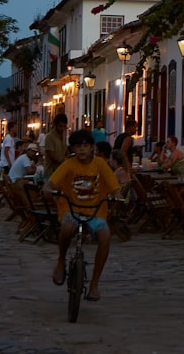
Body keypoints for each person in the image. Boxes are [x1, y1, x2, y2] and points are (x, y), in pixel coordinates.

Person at [43, 128, 123, 302]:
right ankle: (61, 260)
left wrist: (117, 195)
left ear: (92, 147)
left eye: (85, 146)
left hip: (95, 211)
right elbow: (52, 181)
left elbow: (114, 186)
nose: (82, 149)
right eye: (77, 146)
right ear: (71, 149)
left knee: (105, 236)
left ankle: (94, 284)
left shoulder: (100, 164)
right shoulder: (68, 164)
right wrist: (48, 188)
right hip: (71, 210)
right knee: (66, 229)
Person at [0, 121, 19, 204]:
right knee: (2, 180)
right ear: (11, 128)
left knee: (6, 180)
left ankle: (7, 196)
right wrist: (9, 162)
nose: (17, 129)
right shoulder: (8, 139)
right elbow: (6, 151)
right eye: (15, 127)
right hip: (5, 164)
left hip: (7, 163)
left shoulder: (10, 139)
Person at [44, 114, 69, 178]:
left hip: (60, 170)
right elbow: (51, 155)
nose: (62, 129)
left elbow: (65, 151)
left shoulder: (63, 136)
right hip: (51, 172)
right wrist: (64, 162)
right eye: (60, 126)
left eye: (64, 126)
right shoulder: (49, 137)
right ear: (55, 125)